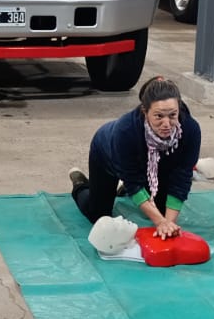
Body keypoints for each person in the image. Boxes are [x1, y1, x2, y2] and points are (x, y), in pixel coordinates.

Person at [69, 75, 202, 238]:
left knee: (161, 211)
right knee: (98, 214)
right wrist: (160, 222)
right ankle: (80, 184)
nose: (166, 124)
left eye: (172, 115)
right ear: (145, 112)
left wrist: (168, 223)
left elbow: (181, 178)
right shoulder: (125, 131)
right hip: (107, 156)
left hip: (154, 162)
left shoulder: (191, 130)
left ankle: (125, 188)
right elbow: (134, 184)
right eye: (159, 116)